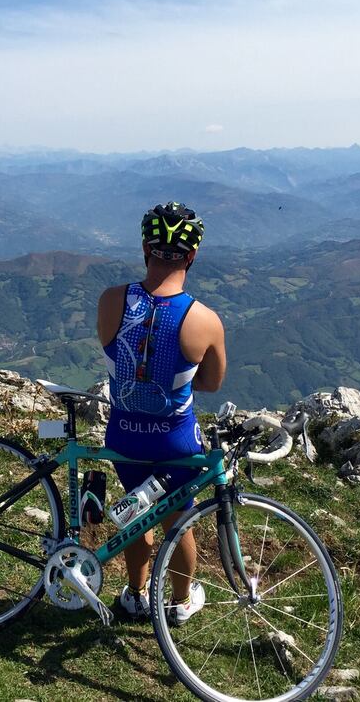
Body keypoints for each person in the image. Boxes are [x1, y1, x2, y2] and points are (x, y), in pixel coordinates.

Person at [96, 201, 227, 622]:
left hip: (123, 435)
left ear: (144, 250)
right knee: (178, 518)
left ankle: (135, 594)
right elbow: (210, 382)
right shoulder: (205, 319)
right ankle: (181, 601)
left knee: (137, 508)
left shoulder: (111, 301)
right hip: (174, 441)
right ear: (191, 256)